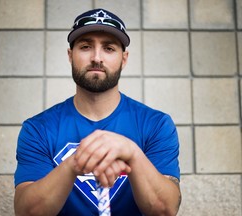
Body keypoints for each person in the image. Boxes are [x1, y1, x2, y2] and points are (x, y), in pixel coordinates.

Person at [14, 8, 181, 216]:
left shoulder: (156, 125)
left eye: (109, 48)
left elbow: (165, 210)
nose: (96, 57)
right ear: (70, 55)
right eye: (85, 46)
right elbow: (27, 213)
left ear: (124, 58)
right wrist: (76, 163)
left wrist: (132, 153)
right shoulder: (38, 129)